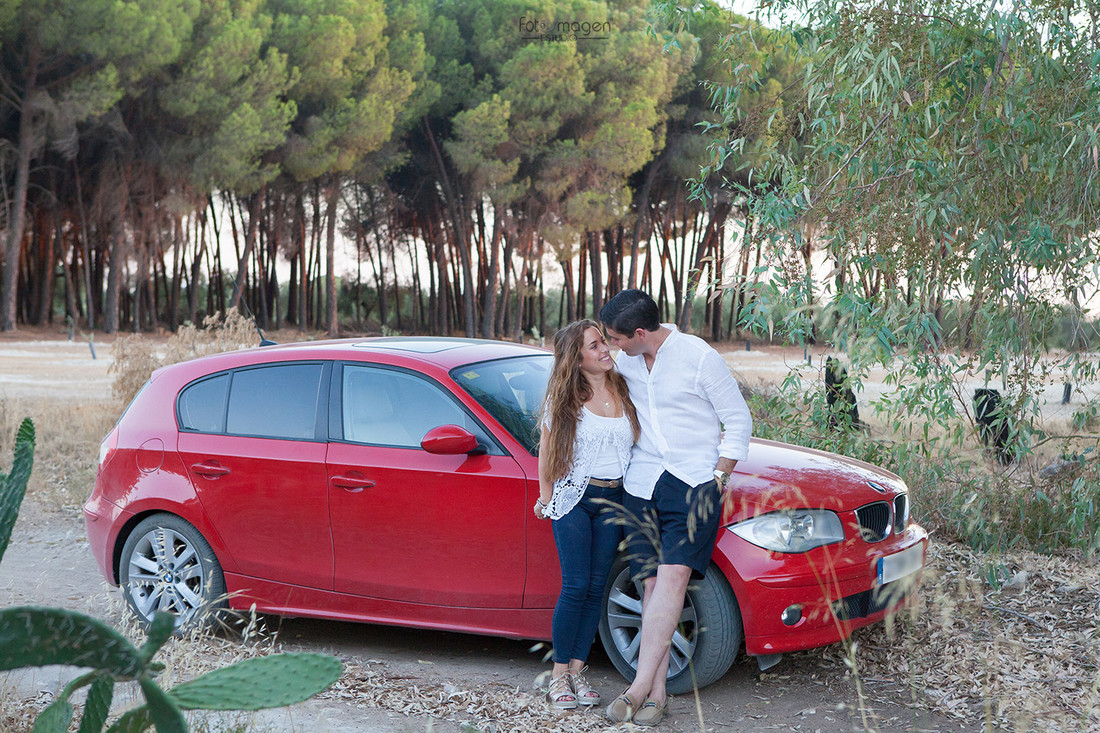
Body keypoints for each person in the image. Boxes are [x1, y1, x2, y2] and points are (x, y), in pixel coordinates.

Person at [598, 290, 752, 727]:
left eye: (617, 338)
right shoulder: (625, 361)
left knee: (674, 576)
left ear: (640, 333)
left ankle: (636, 688)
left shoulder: (699, 358)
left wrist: (718, 479)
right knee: (650, 585)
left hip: (693, 483)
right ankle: (657, 693)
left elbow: (738, 420)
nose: (614, 346)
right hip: (641, 482)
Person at [536, 319, 640, 711]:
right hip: (574, 498)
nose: (604, 350)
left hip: (615, 501)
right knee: (576, 585)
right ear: (576, 358)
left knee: (598, 586)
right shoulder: (564, 398)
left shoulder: (622, 385)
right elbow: (547, 450)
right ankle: (559, 675)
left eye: (603, 343)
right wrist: (547, 499)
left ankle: (578, 672)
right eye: (595, 346)